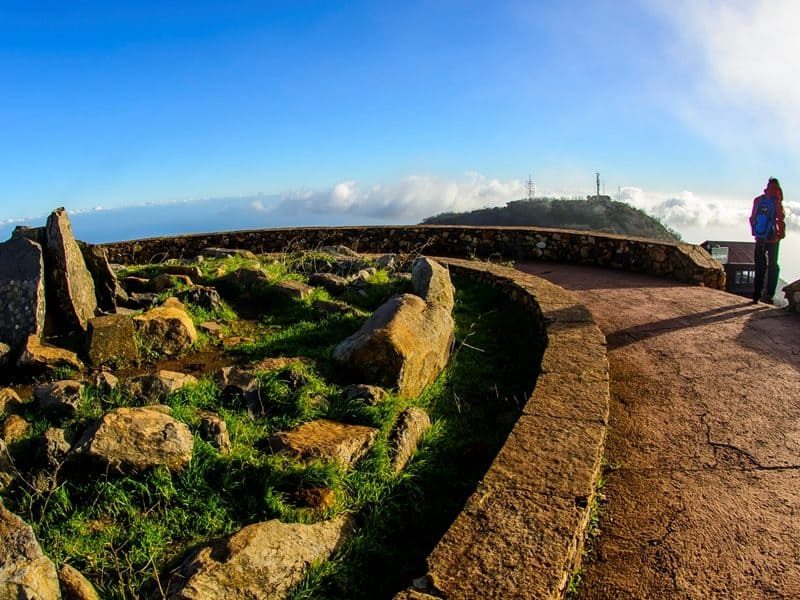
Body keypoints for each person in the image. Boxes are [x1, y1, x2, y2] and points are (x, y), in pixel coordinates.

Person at [749, 177, 785, 304]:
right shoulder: (776, 201)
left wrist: (757, 233)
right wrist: (781, 234)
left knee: (759, 266)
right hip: (773, 239)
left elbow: (752, 218)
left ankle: (756, 295)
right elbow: (780, 218)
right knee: (773, 266)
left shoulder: (758, 200)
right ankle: (769, 294)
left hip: (760, 238)